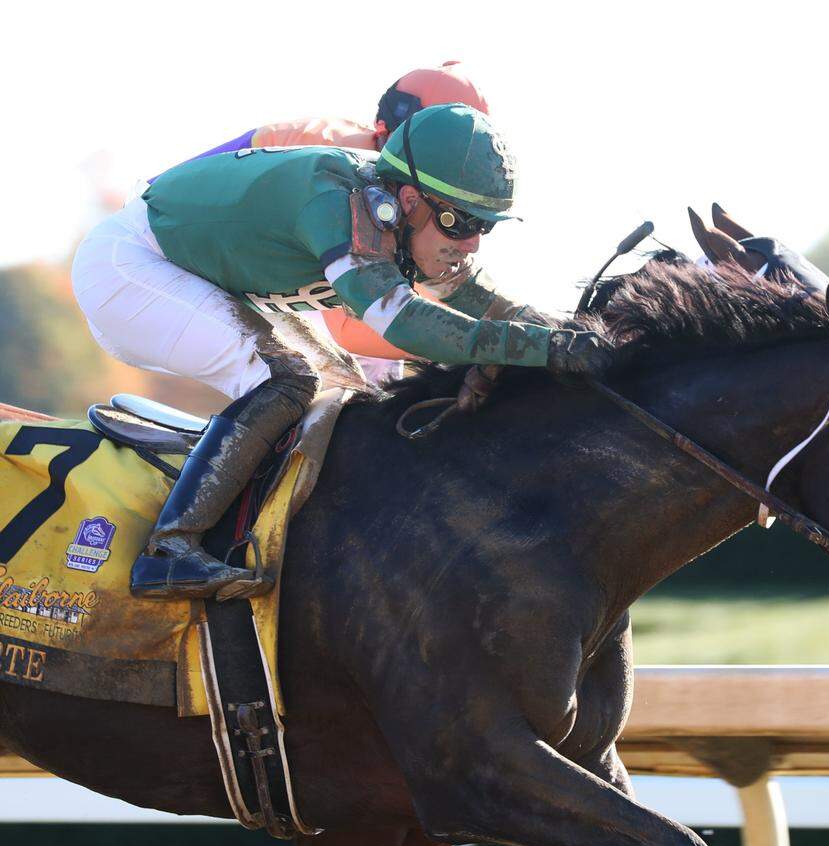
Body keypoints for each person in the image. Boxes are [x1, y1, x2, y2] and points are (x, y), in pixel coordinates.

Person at [72, 103, 612, 602]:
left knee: (347, 392)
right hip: (128, 266)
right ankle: (170, 550)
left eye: (483, 227)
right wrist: (542, 348)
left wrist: (576, 333)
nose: (470, 243)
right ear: (408, 199)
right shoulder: (337, 200)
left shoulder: (400, 212)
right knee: (287, 379)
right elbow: (404, 324)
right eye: (460, 222)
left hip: (188, 271)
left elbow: (483, 302)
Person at [167, 61, 501, 384]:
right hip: (172, 260)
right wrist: (468, 347)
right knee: (331, 376)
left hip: (227, 260)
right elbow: (350, 329)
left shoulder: (387, 166)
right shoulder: (343, 166)